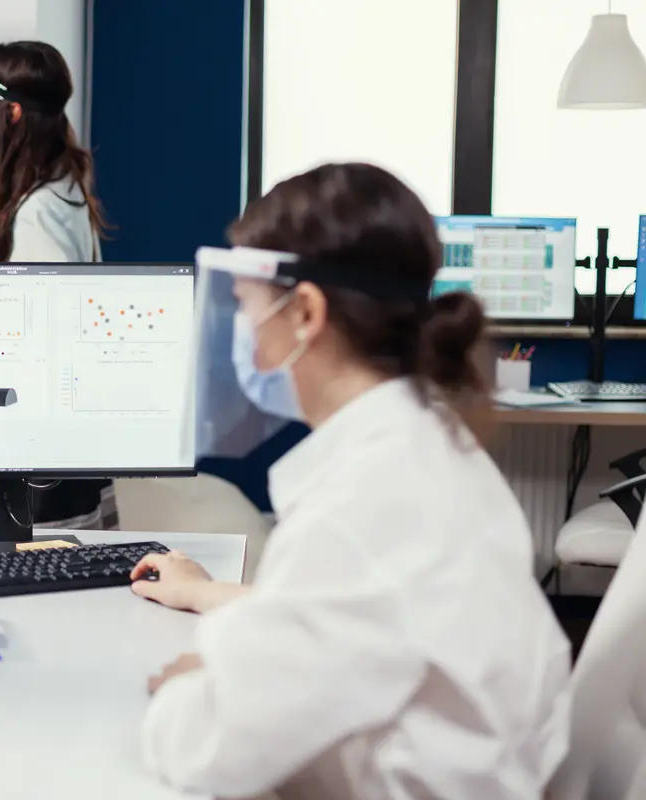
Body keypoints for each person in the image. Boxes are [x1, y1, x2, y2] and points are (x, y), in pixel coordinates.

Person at [132, 163, 573, 799]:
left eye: (247, 309)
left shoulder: (364, 498)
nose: (244, 340)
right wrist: (211, 598)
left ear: (305, 311)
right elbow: (362, 611)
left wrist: (192, 690)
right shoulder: (421, 442)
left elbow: (210, 752)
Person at [0, 41, 115, 530]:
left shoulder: (37, 213)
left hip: (32, 471)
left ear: (11, 113)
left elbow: (36, 346)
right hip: (51, 459)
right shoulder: (62, 188)